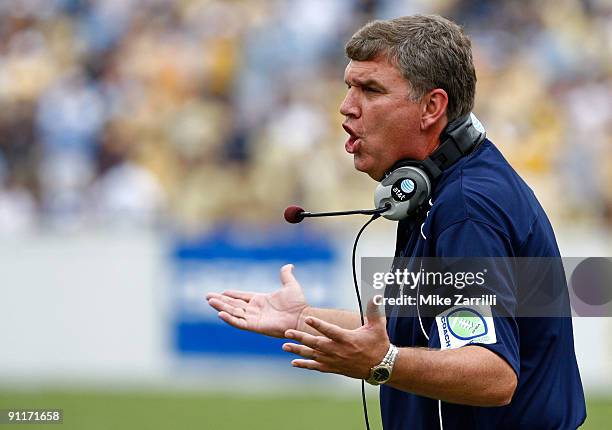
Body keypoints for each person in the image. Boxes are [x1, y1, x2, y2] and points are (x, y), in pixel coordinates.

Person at [207, 14, 586, 429]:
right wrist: (303, 320)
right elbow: (420, 331)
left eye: (371, 89)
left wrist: (381, 363)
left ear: (431, 107)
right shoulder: (436, 189)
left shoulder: (466, 208)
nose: (346, 106)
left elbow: (493, 374)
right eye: (349, 86)